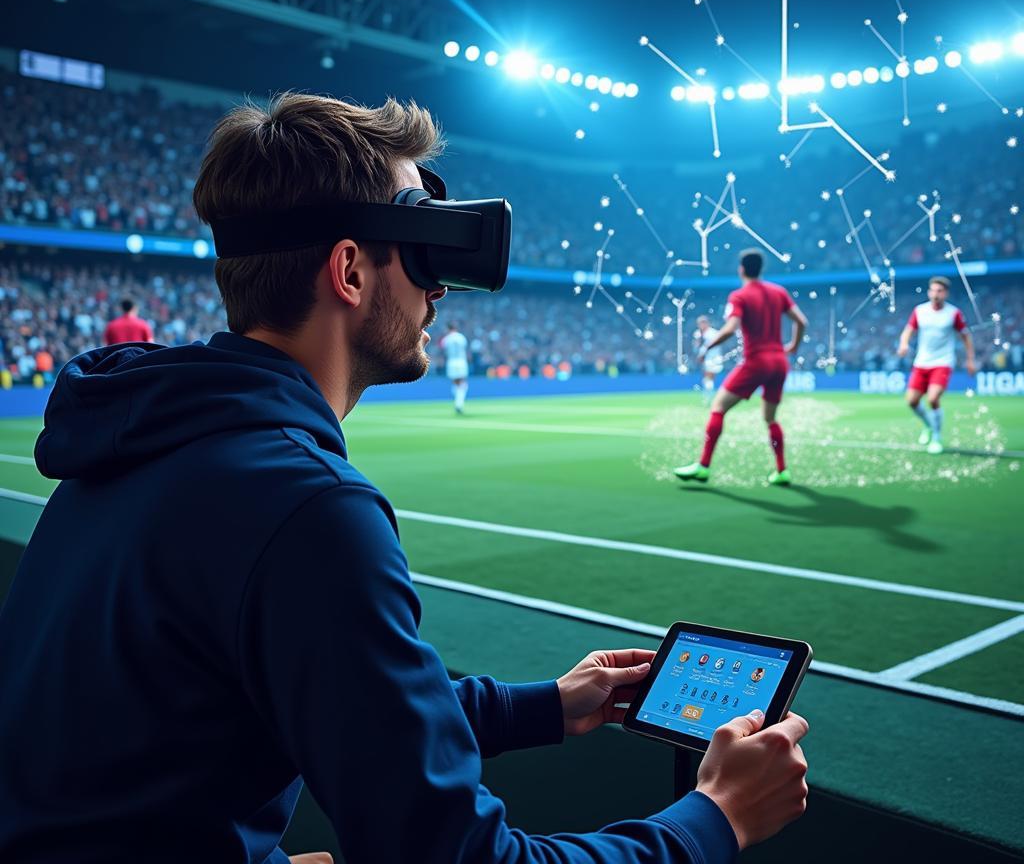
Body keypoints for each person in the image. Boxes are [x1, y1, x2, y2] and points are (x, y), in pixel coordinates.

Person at [0, 95, 809, 863]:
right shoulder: (306, 508)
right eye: (424, 250)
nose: (441, 287)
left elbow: (303, 706)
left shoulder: (140, 436)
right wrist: (715, 818)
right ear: (349, 271)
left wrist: (541, 706)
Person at [675, 249, 807, 486]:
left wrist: (707, 348)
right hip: (779, 362)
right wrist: (792, 346)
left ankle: (703, 466)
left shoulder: (740, 295)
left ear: (741, 269)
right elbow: (802, 321)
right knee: (770, 418)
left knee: (718, 407)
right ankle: (782, 470)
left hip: (756, 361)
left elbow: (729, 328)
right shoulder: (778, 292)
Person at [897, 275, 976, 454]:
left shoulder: (953, 313)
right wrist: (903, 344)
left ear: (945, 293)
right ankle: (928, 425)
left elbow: (965, 336)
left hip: (943, 362)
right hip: (921, 362)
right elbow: (908, 331)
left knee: (933, 398)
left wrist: (970, 359)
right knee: (912, 401)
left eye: (939, 291)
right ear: (928, 292)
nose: (935, 294)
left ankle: (937, 438)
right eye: (933, 290)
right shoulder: (920, 310)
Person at [694, 314, 725, 403]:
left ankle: (708, 398)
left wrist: (702, 354)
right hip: (704, 359)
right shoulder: (697, 334)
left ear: (707, 323)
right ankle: (708, 397)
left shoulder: (713, 333)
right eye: (700, 323)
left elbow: (710, 346)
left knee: (709, 377)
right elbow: (697, 346)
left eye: (703, 323)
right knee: (707, 378)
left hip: (713, 358)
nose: (701, 325)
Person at [440, 320, 470, 413]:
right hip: (461, 361)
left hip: (451, 362)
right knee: (462, 383)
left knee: (456, 383)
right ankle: (459, 403)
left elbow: (443, 350)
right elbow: (465, 349)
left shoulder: (446, 339)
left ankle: (458, 403)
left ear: (448, 329)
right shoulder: (461, 337)